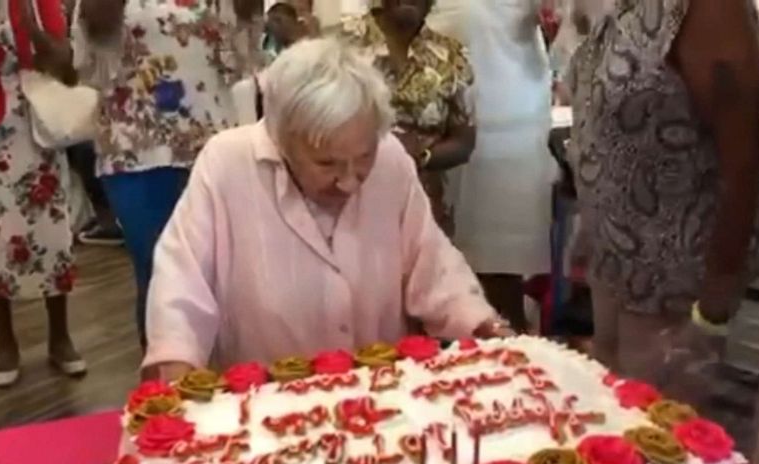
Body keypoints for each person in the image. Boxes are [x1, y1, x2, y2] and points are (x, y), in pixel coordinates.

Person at [142, 38, 507, 377]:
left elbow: (433, 263)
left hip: (382, 397)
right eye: (326, 164)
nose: (349, 181)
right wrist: (177, 365)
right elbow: (182, 282)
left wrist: (480, 324)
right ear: (281, 139)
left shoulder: (391, 158)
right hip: (265, 404)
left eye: (364, 157)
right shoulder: (227, 163)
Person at [569, 0, 759, 399]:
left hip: (673, 284)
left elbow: (745, 160)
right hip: (613, 265)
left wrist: (712, 309)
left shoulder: (706, 9)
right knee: (608, 424)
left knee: (658, 442)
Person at [74, 0, 262, 345]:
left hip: (211, 145)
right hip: (135, 150)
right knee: (157, 270)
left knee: (222, 270)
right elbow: (92, 61)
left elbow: (243, 52)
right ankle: (164, 385)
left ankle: (227, 380)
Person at [0, 0, 86, 387]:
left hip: (39, 130)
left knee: (55, 237)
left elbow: (65, 64)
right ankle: (6, 344)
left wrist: (30, 24)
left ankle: (61, 337)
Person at [430, 0, 561, 332]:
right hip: (433, 128)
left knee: (497, 277)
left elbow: (567, 20)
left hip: (506, 135)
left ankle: (513, 366)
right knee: (435, 273)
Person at [340, 0, 476, 236]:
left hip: (423, 210)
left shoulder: (452, 56)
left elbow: (464, 144)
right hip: (347, 203)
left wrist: (419, 156)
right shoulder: (341, 45)